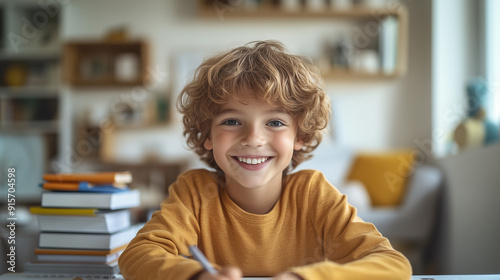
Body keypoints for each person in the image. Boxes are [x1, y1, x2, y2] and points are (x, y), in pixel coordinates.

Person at [118, 40, 412, 280]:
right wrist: (196, 277)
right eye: (232, 121)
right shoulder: (195, 193)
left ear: (301, 136)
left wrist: (303, 279)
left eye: (275, 123)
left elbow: (392, 265)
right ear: (206, 135)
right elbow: (138, 255)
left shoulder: (314, 194)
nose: (253, 138)